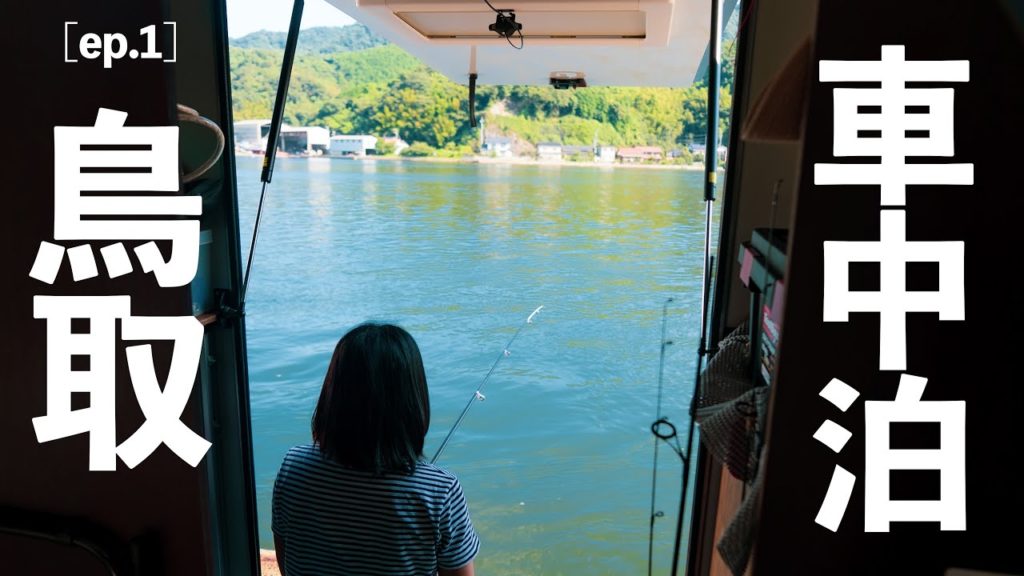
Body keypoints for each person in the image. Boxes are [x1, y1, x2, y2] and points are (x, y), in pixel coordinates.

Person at [272, 323, 480, 576]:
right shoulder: (440, 491)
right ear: (413, 401)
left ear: (333, 393)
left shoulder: (293, 467)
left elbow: (287, 562)